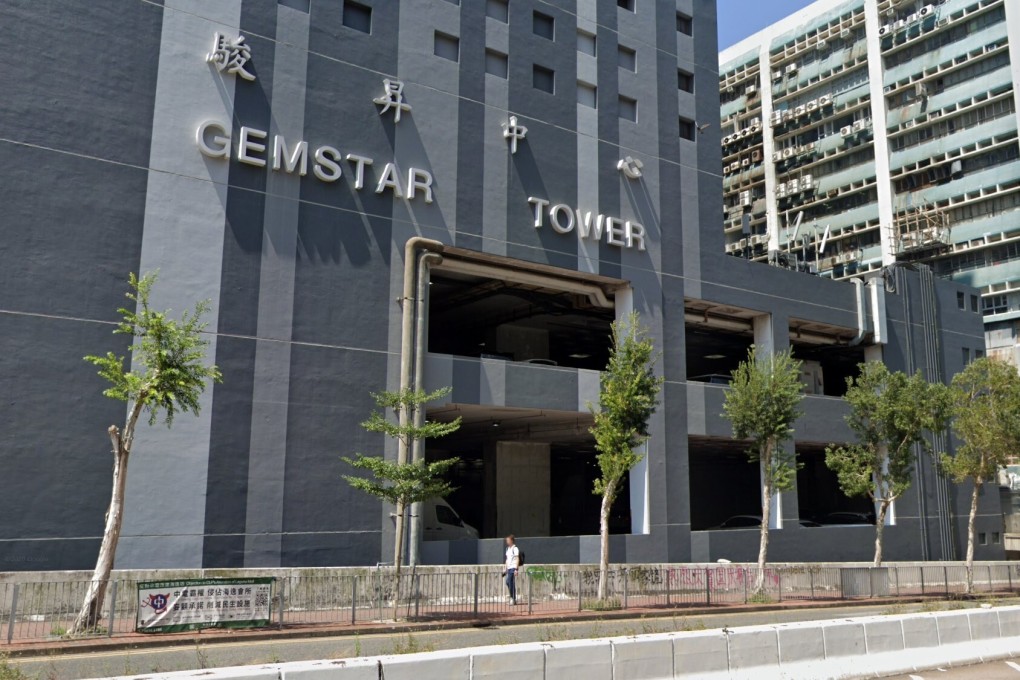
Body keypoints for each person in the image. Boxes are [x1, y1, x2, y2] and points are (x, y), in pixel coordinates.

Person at [503, 534, 520, 605]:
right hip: (509, 568)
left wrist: (516, 569)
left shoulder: (515, 548)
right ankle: (513, 598)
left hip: (513, 568)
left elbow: (517, 558)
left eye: (508, 540)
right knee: (508, 582)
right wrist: (505, 568)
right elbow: (507, 559)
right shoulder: (507, 549)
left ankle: (513, 598)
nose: (507, 541)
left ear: (512, 541)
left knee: (510, 582)